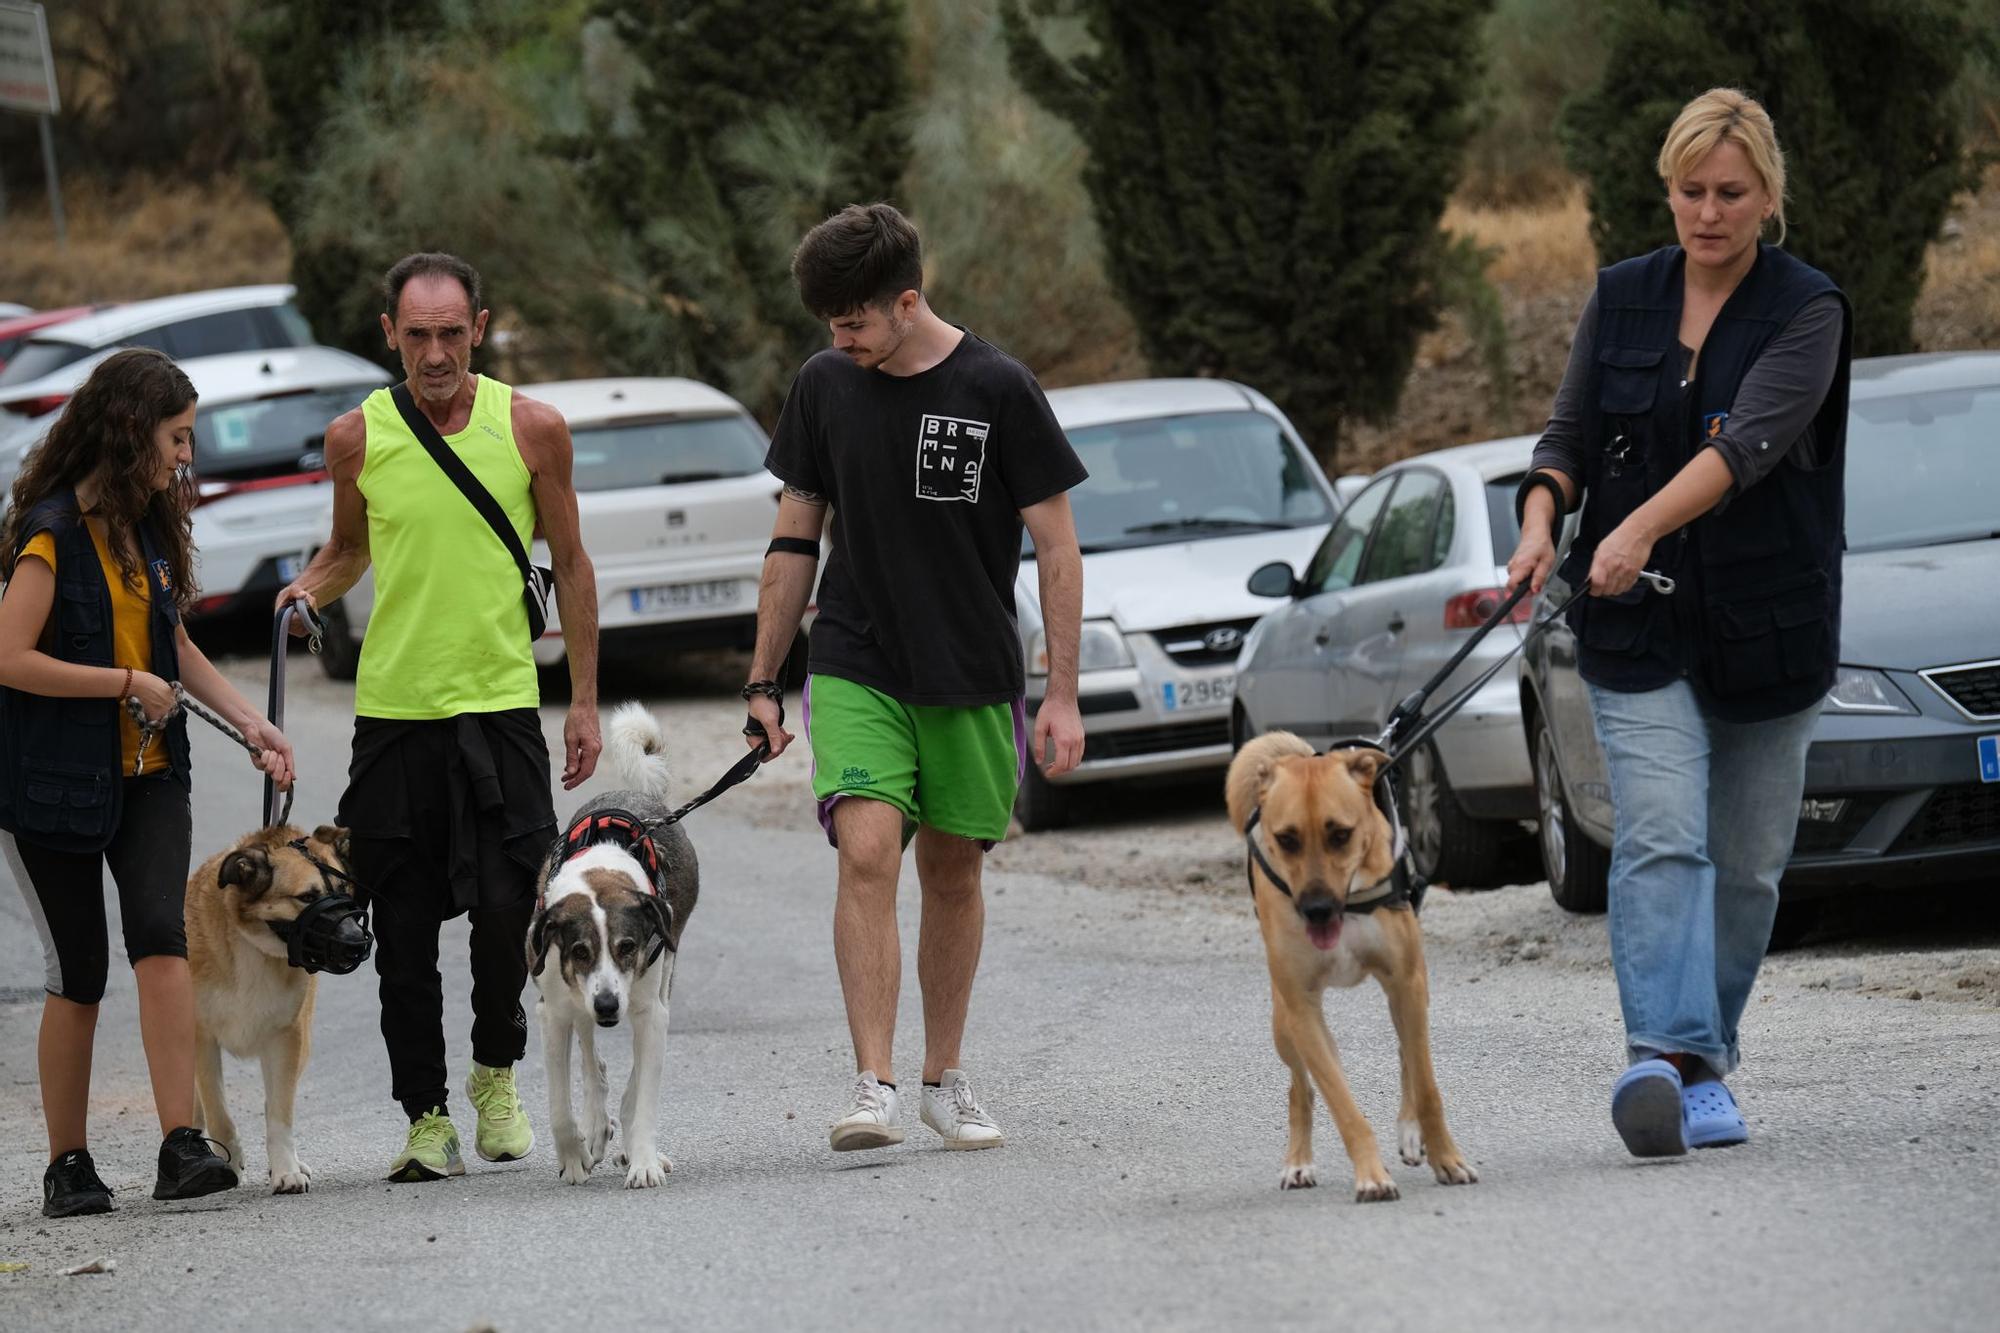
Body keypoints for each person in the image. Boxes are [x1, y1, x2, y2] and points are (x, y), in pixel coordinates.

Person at [1505, 89, 1852, 1158]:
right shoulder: (1621, 297)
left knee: (1744, 864)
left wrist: (1637, 529)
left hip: (1767, 629)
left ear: (1767, 198)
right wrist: (1538, 525)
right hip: (1634, 634)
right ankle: (1657, 1058)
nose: (1707, 213)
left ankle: (1704, 1065)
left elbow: (1742, 447)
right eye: (1691, 191)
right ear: (1666, 187)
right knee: (1659, 835)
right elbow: (1564, 436)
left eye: (1730, 194)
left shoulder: (1807, 310)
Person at [746, 202, 1087, 1152]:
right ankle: (874, 1082)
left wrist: (1060, 690)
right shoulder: (823, 386)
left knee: (950, 870)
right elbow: (792, 537)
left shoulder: (1000, 387)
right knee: (865, 853)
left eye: (854, 321)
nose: (840, 339)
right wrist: (764, 679)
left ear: (906, 301)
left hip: (972, 669)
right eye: (828, 324)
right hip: (857, 659)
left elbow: (1058, 549)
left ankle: (945, 1077)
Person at [276, 252, 600, 1182]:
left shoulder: (533, 429)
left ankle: (494, 1075)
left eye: (450, 333)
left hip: (499, 708)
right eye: (415, 334)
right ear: (389, 334)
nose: (434, 352)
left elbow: (572, 567)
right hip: (394, 716)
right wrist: (306, 586)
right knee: (404, 929)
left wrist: (580, 701)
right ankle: (425, 1116)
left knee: (509, 913)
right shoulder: (357, 438)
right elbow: (346, 549)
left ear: (480, 328)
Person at [0, 348, 297, 1217]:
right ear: (132, 432)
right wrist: (124, 684)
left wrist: (254, 722)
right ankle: (68, 1165)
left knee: (161, 935)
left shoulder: (150, 529)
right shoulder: (51, 531)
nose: (185, 457)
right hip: (49, 781)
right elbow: (10, 657)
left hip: (151, 773)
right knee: (79, 967)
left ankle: (181, 1143)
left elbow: (175, 647)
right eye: (176, 437)